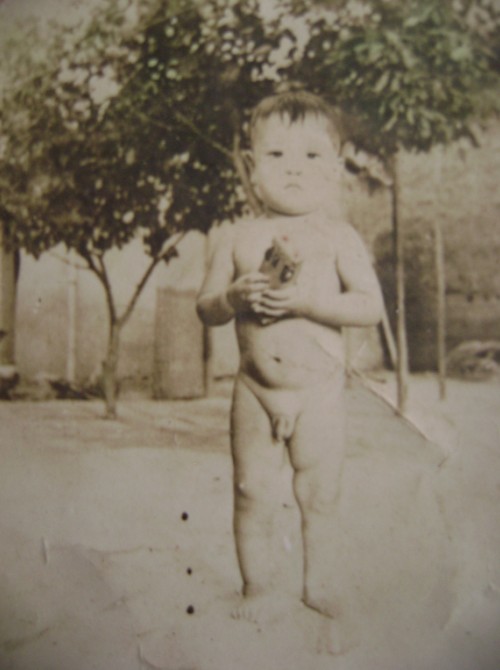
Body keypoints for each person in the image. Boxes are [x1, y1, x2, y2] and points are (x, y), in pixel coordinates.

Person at [196, 90, 383, 628]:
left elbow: (369, 306)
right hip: (255, 390)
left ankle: (319, 587)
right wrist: (233, 297)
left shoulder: (338, 238)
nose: (294, 169)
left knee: (320, 493)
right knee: (251, 490)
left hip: (318, 391)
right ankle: (257, 587)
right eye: (276, 155)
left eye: (311, 156)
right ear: (251, 166)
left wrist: (308, 303)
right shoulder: (237, 238)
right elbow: (206, 308)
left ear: (335, 169)